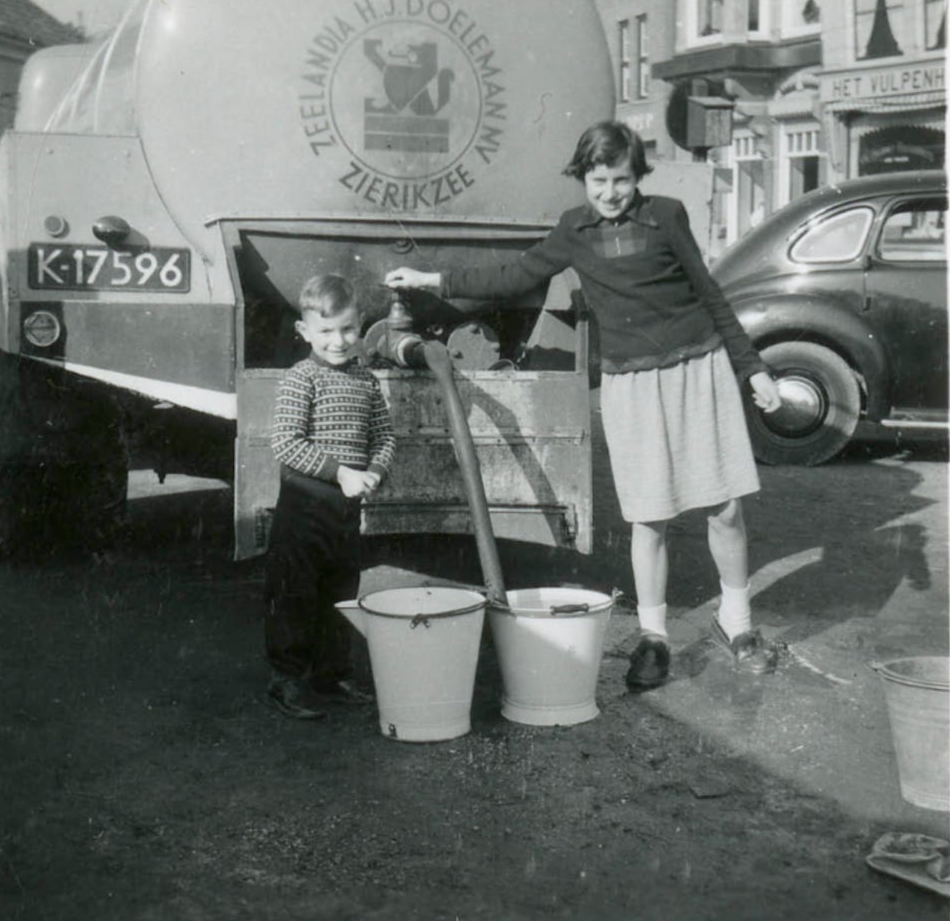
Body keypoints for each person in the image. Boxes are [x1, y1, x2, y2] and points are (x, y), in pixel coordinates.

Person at [385, 120, 782, 691]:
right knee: (650, 517)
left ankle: (737, 624)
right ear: (584, 178)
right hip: (632, 384)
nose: (610, 192)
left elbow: (710, 294)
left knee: (723, 508)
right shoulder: (574, 230)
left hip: (700, 370)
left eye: (620, 179)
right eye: (599, 180)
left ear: (637, 176)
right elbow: (511, 275)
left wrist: (753, 369)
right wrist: (432, 278)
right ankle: (653, 638)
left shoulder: (667, 216)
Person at [263, 274, 396, 719]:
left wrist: (374, 470)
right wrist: (341, 473)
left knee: (341, 592)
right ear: (304, 332)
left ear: (361, 326)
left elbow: (384, 435)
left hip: (345, 509)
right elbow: (286, 443)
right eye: (326, 331)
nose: (338, 341)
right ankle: (288, 680)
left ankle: (332, 674)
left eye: (347, 330)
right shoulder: (301, 379)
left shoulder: (366, 381)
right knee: (295, 593)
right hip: (304, 507)